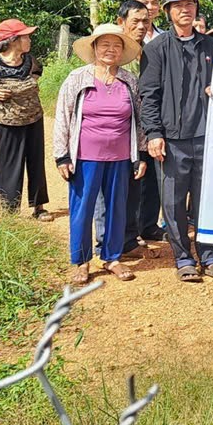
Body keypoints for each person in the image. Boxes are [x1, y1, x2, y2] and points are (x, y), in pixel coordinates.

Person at [139, 0, 213, 283]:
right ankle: (183, 258)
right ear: (167, 12)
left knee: (207, 199)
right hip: (172, 140)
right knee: (174, 203)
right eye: (178, 6)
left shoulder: (211, 47)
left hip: (207, 137)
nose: (186, 10)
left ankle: (210, 254)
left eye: (190, 4)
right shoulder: (155, 49)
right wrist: (153, 133)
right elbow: (148, 95)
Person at [53, 25, 147, 285]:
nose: (110, 50)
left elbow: (139, 121)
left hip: (119, 157)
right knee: (82, 209)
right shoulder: (77, 78)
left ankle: (111, 257)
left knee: (117, 208)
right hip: (85, 156)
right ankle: (81, 261)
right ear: (94, 48)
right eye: (104, 45)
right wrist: (62, 156)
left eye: (116, 46)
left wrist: (139, 155)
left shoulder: (129, 81)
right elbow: (63, 116)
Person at [0, 19, 51, 220]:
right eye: (26, 36)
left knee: (36, 161)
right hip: (8, 123)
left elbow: (38, 71)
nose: (29, 39)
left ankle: (39, 207)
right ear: (13, 40)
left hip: (34, 118)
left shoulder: (29, 60)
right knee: (9, 164)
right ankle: (7, 210)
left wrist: (31, 84)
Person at [115, 0, 164, 250]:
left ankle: (147, 226)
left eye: (146, 20)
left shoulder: (151, 50)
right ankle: (123, 235)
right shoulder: (114, 51)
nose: (142, 25)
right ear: (121, 22)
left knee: (150, 181)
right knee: (127, 184)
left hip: (149, 125)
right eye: (136, 21)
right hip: (122, 129)